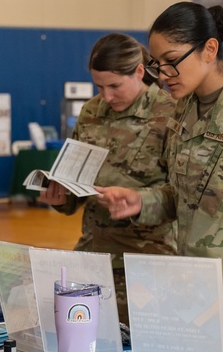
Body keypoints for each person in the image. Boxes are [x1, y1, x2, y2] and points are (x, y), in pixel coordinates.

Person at [96, 2, 223, 352]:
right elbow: (185, 197)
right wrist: (141, 201)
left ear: (209, 49)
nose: (163, 73)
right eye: (158, 64)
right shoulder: (184, 109)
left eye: (172, 60)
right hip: (186, 294)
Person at [38, 33, 176, 326]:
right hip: (93, 257)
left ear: (139, 72)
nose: (107, 96)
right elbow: (76, 181)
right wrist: (61, 198)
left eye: (115, 86)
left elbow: (187, 195)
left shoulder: (170, 114)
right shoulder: (91, 112)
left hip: (145, 262)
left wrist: (139, 202)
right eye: (99, 86)